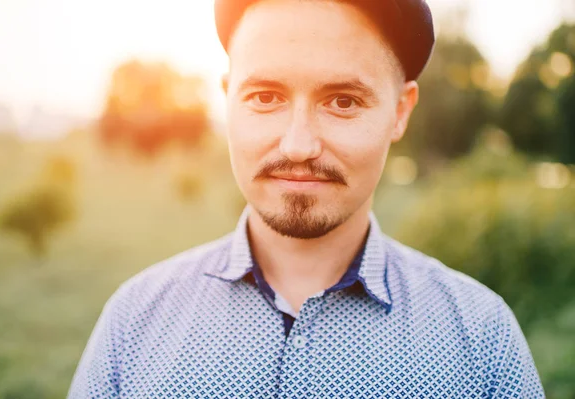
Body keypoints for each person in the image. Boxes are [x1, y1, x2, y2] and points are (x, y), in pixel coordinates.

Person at [68, 0, 545, 397]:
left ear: (400, 112)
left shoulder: (482, 341)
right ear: (229, 97)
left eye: (342, 101)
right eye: (265, 97)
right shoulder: (134, 323)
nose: (298, 145)